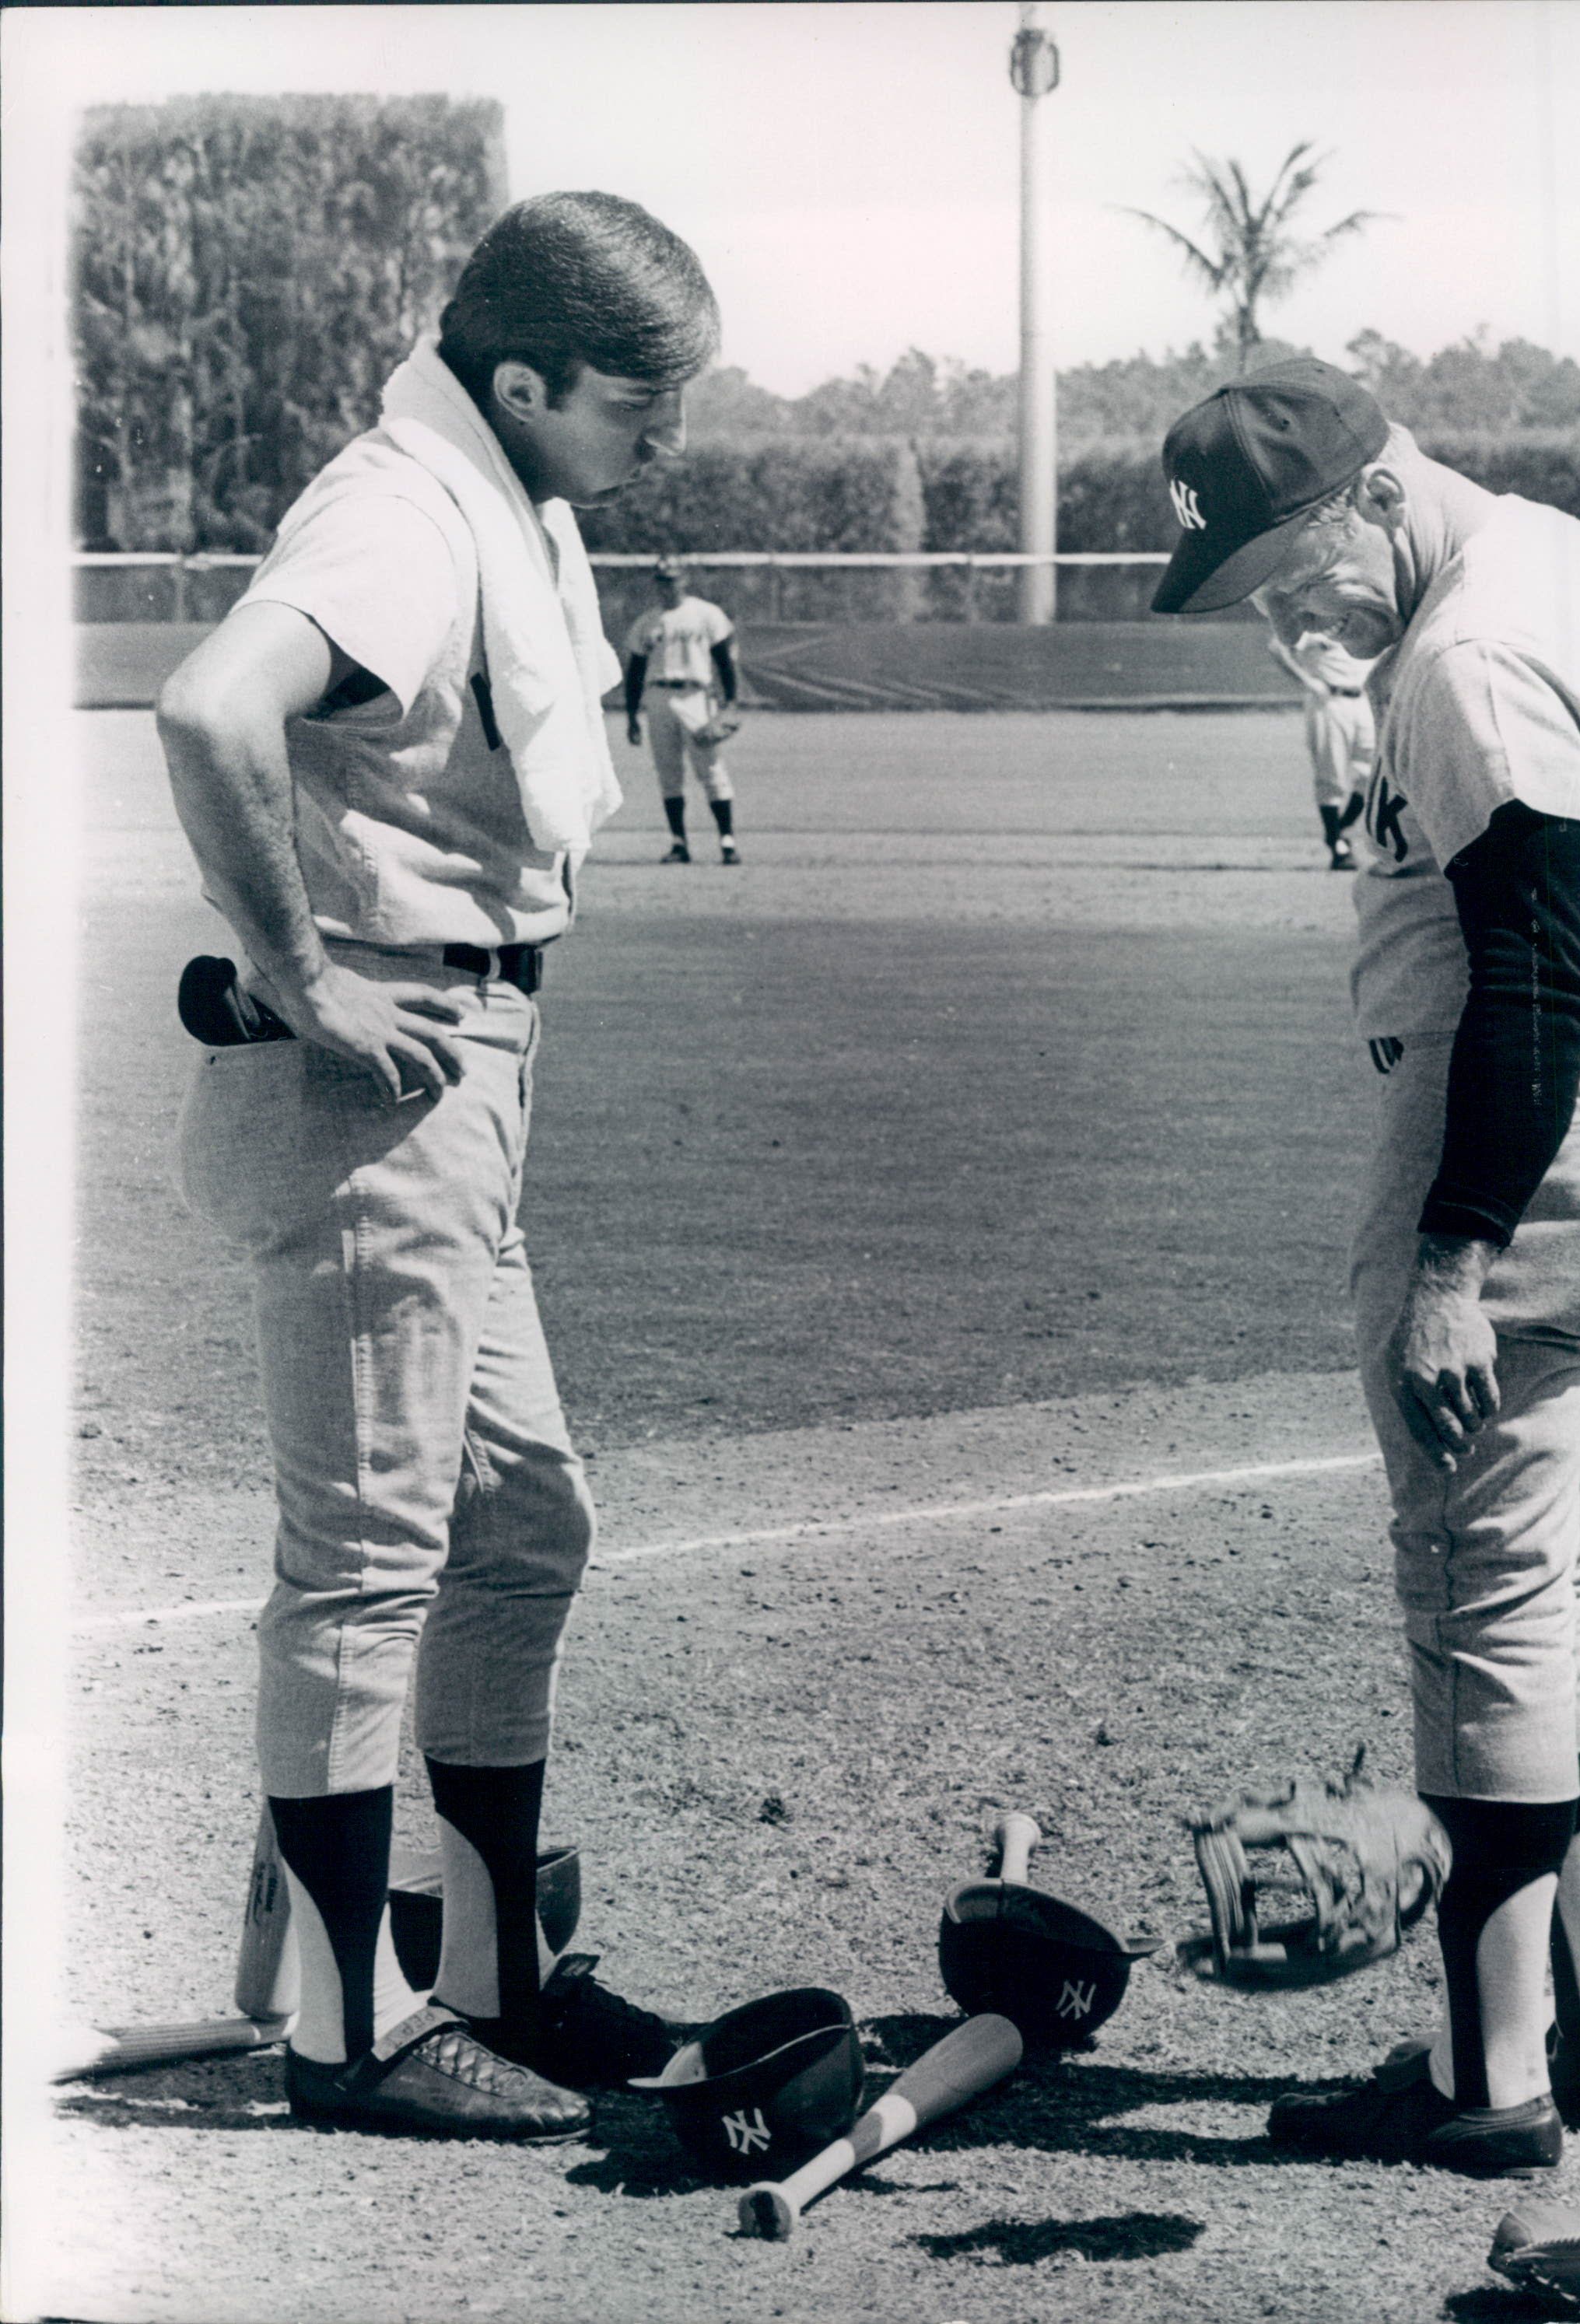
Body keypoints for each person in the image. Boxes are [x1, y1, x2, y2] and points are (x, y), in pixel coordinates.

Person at [156, 191, 720, 2142]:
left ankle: (484, 1971)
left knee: (523, 1522)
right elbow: (211, 703)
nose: (669, 437)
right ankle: (341, 2028)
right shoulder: (406, 509)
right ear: (522, 376)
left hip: (462, 1053)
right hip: (378, 1066)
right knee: (368, 1562)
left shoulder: (502, 496)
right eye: (642, 402)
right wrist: (303, 977)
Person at [1153, 360, 1580, 2175]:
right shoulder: (1558, 556)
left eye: (1285, 565)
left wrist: (1448, 1262)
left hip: (1538, 1147)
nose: (1285, 613)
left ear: (1380, 491)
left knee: (1478, 1607)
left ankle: (1490, 2082)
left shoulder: (1467, 650)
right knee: (1551, 1581)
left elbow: (1532, 975)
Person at [623, 555, 742, 863]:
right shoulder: (647, 622)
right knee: (668, 774)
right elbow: (635, 672)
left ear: (684, 580)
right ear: (656, 584)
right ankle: (679, 844)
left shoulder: (706, 614)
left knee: (711, 770)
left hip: (696, 697)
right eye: (662, 581)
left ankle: (727, 843)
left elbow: (725, 662)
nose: (668, 586)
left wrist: (730, 704)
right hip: (659, 698)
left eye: (673, 579)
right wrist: (632, 716)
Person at [1263, 619, 1375, 868]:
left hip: (1364, 700)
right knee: (1331, 773)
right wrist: (1306, 680)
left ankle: (1341, 829)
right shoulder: (1315, 619)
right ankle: (1337, 847)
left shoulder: (1365, 617)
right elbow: (1276, 646)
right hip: (1329, 702)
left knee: (1374, 773)